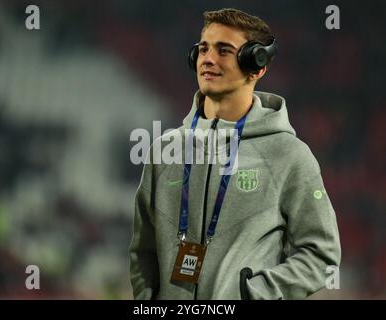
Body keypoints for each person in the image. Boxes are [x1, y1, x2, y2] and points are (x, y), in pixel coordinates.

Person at [129, 8, 341, 300]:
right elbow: (143, 251)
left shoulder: (289, 155)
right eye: (203, 49)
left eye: (224, 50)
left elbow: (322, 253)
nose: (208, 59)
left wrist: (256, 292)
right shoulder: (164, 151)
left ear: (257, 64)